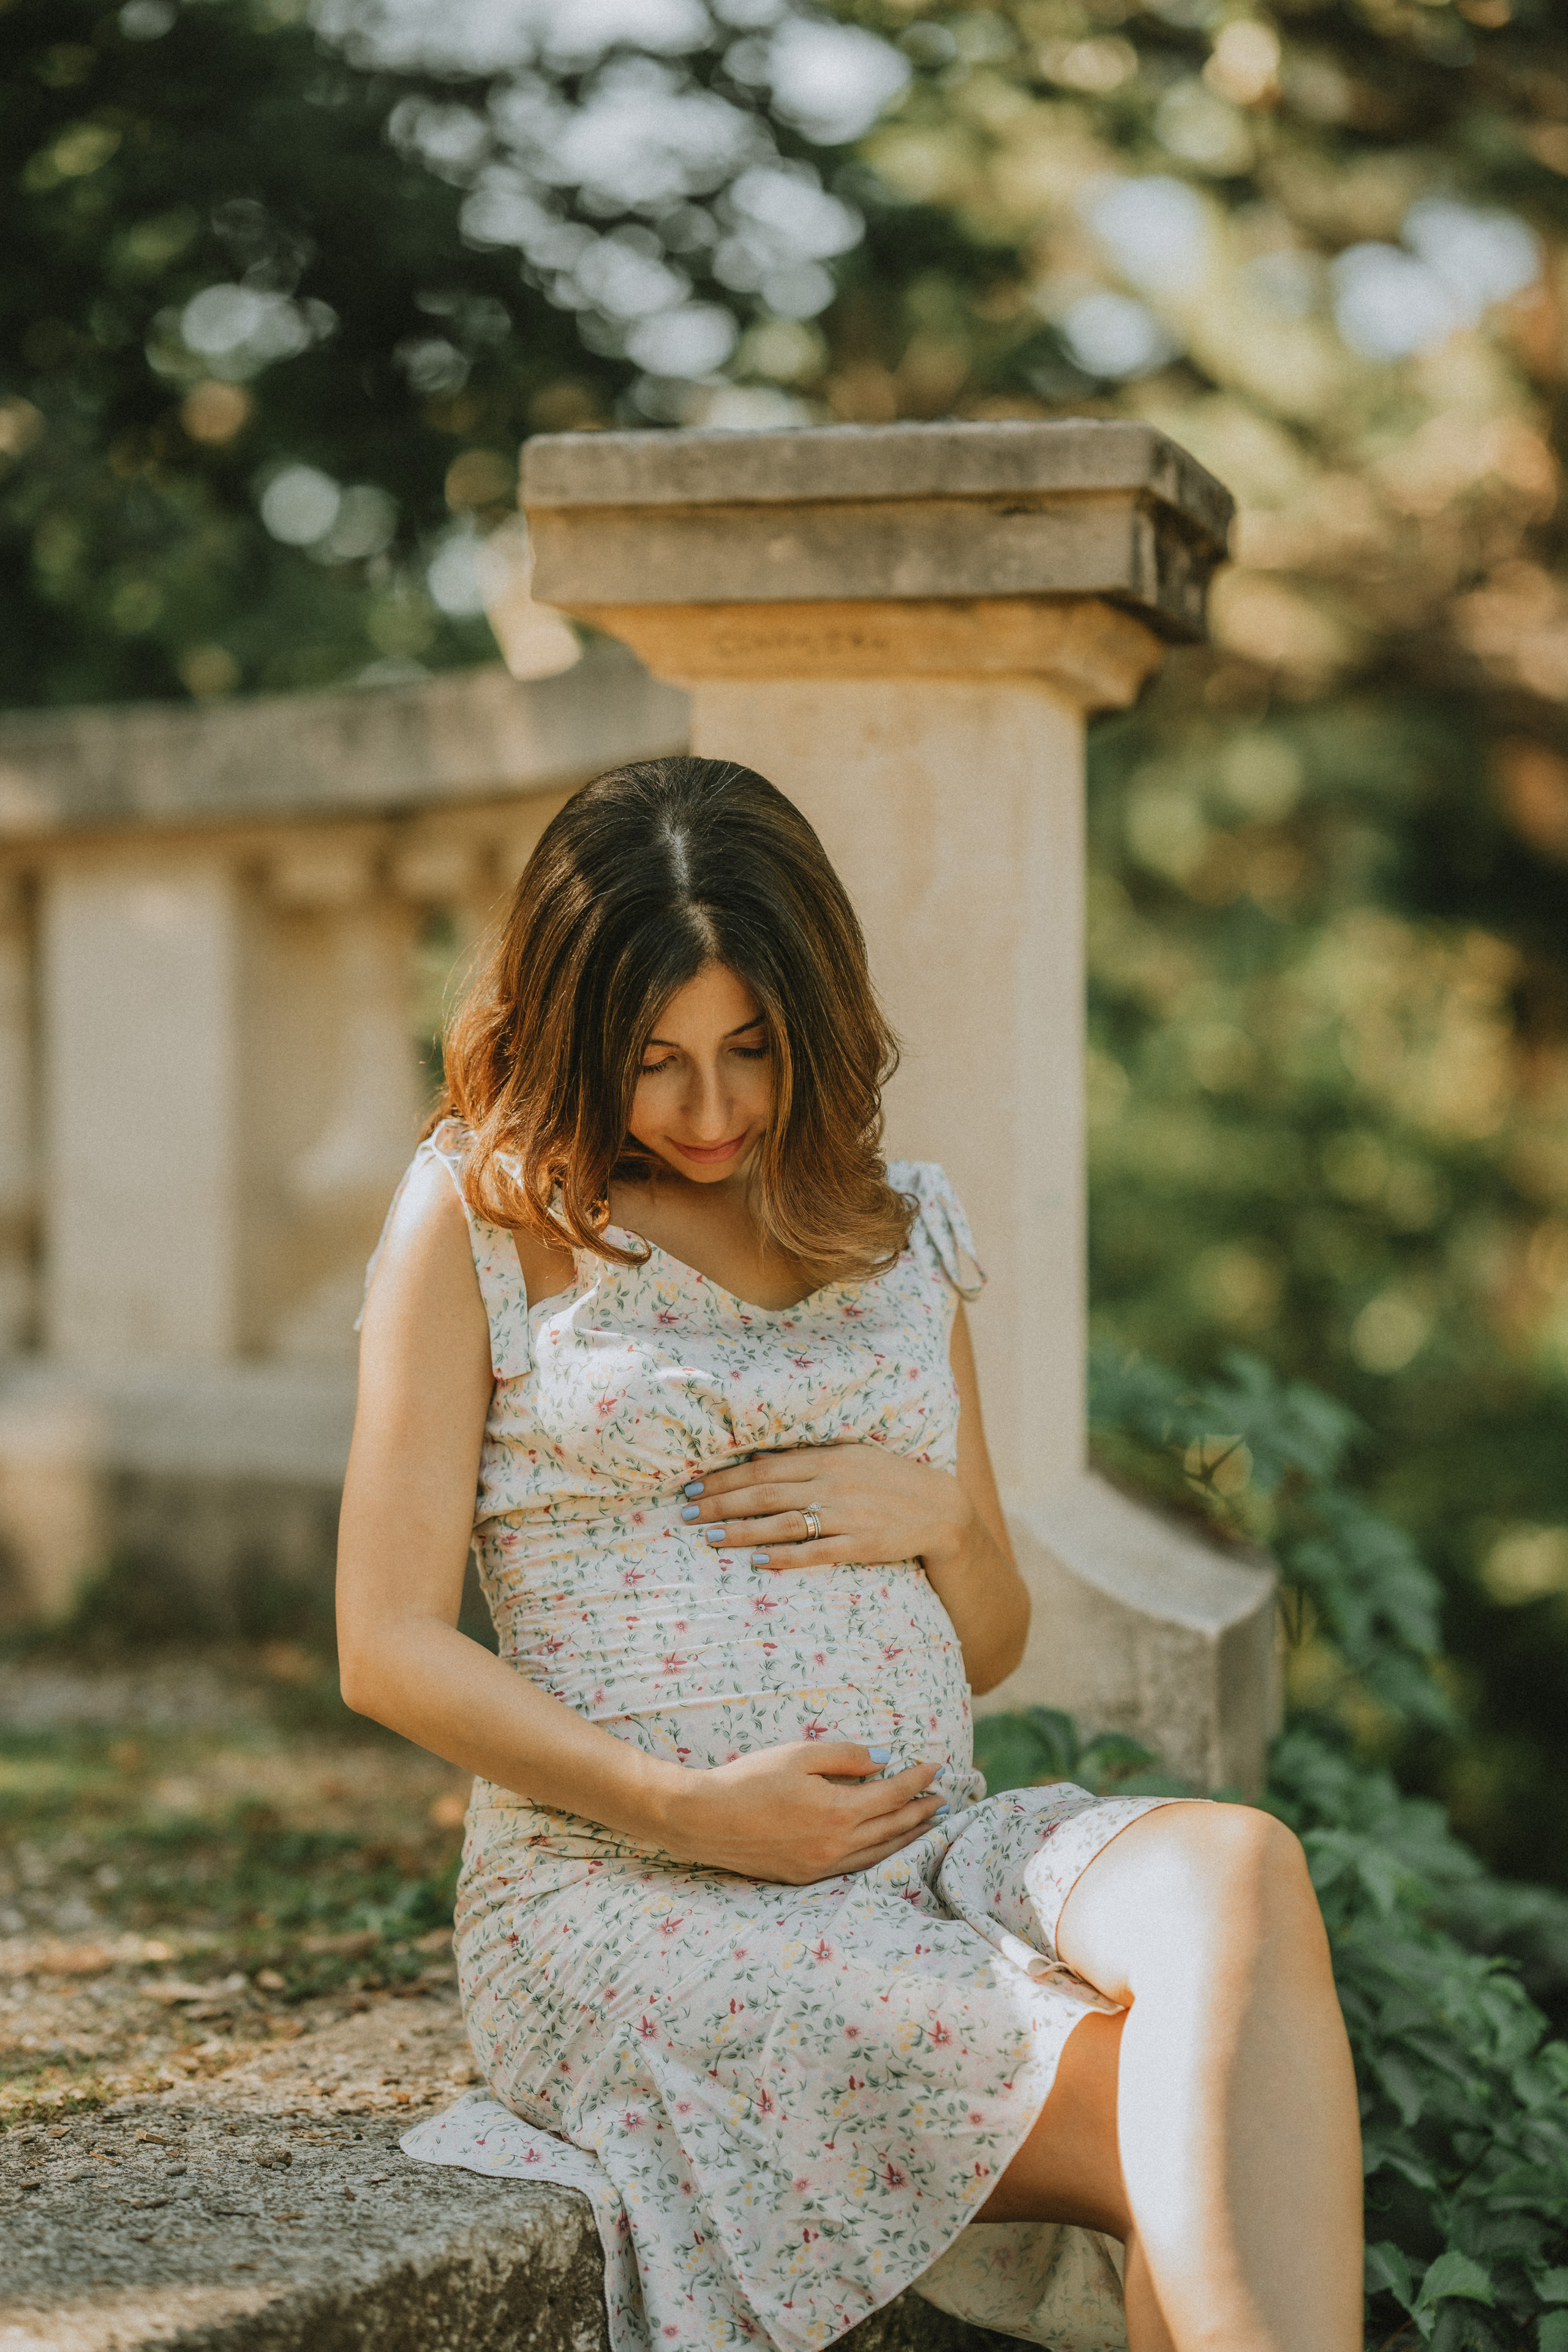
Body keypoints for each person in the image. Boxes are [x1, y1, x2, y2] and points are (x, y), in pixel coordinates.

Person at [337, 755, 1363, 2352]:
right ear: (569, 1032)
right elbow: (383, 1642)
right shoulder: (482, 1217)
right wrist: (682, 1807)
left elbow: (994, 1637)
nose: (711, 1111)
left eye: (752, 1051)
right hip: (632, 1893)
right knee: (1189, 2101)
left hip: (924, 1853)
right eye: (655, 1062)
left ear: (815, 1024)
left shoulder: (892, 1230)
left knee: (1241, 1866)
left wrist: (944, 1518)